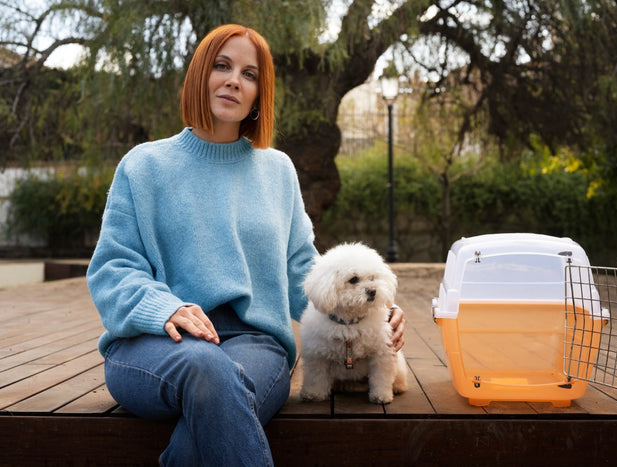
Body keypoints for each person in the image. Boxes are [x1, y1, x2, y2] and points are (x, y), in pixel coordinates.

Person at [87, 23, 406, 466]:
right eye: (222, 66)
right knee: (205, 366)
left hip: (255, 346)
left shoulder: (278, 171)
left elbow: (304, 273)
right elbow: (112, 269)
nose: (235, 79)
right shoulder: (144, 166)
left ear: (259, 92)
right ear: (202, 75)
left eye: (249, 74)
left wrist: (370, 308)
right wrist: (165, 309)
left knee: (219, 380)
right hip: (153, 344)